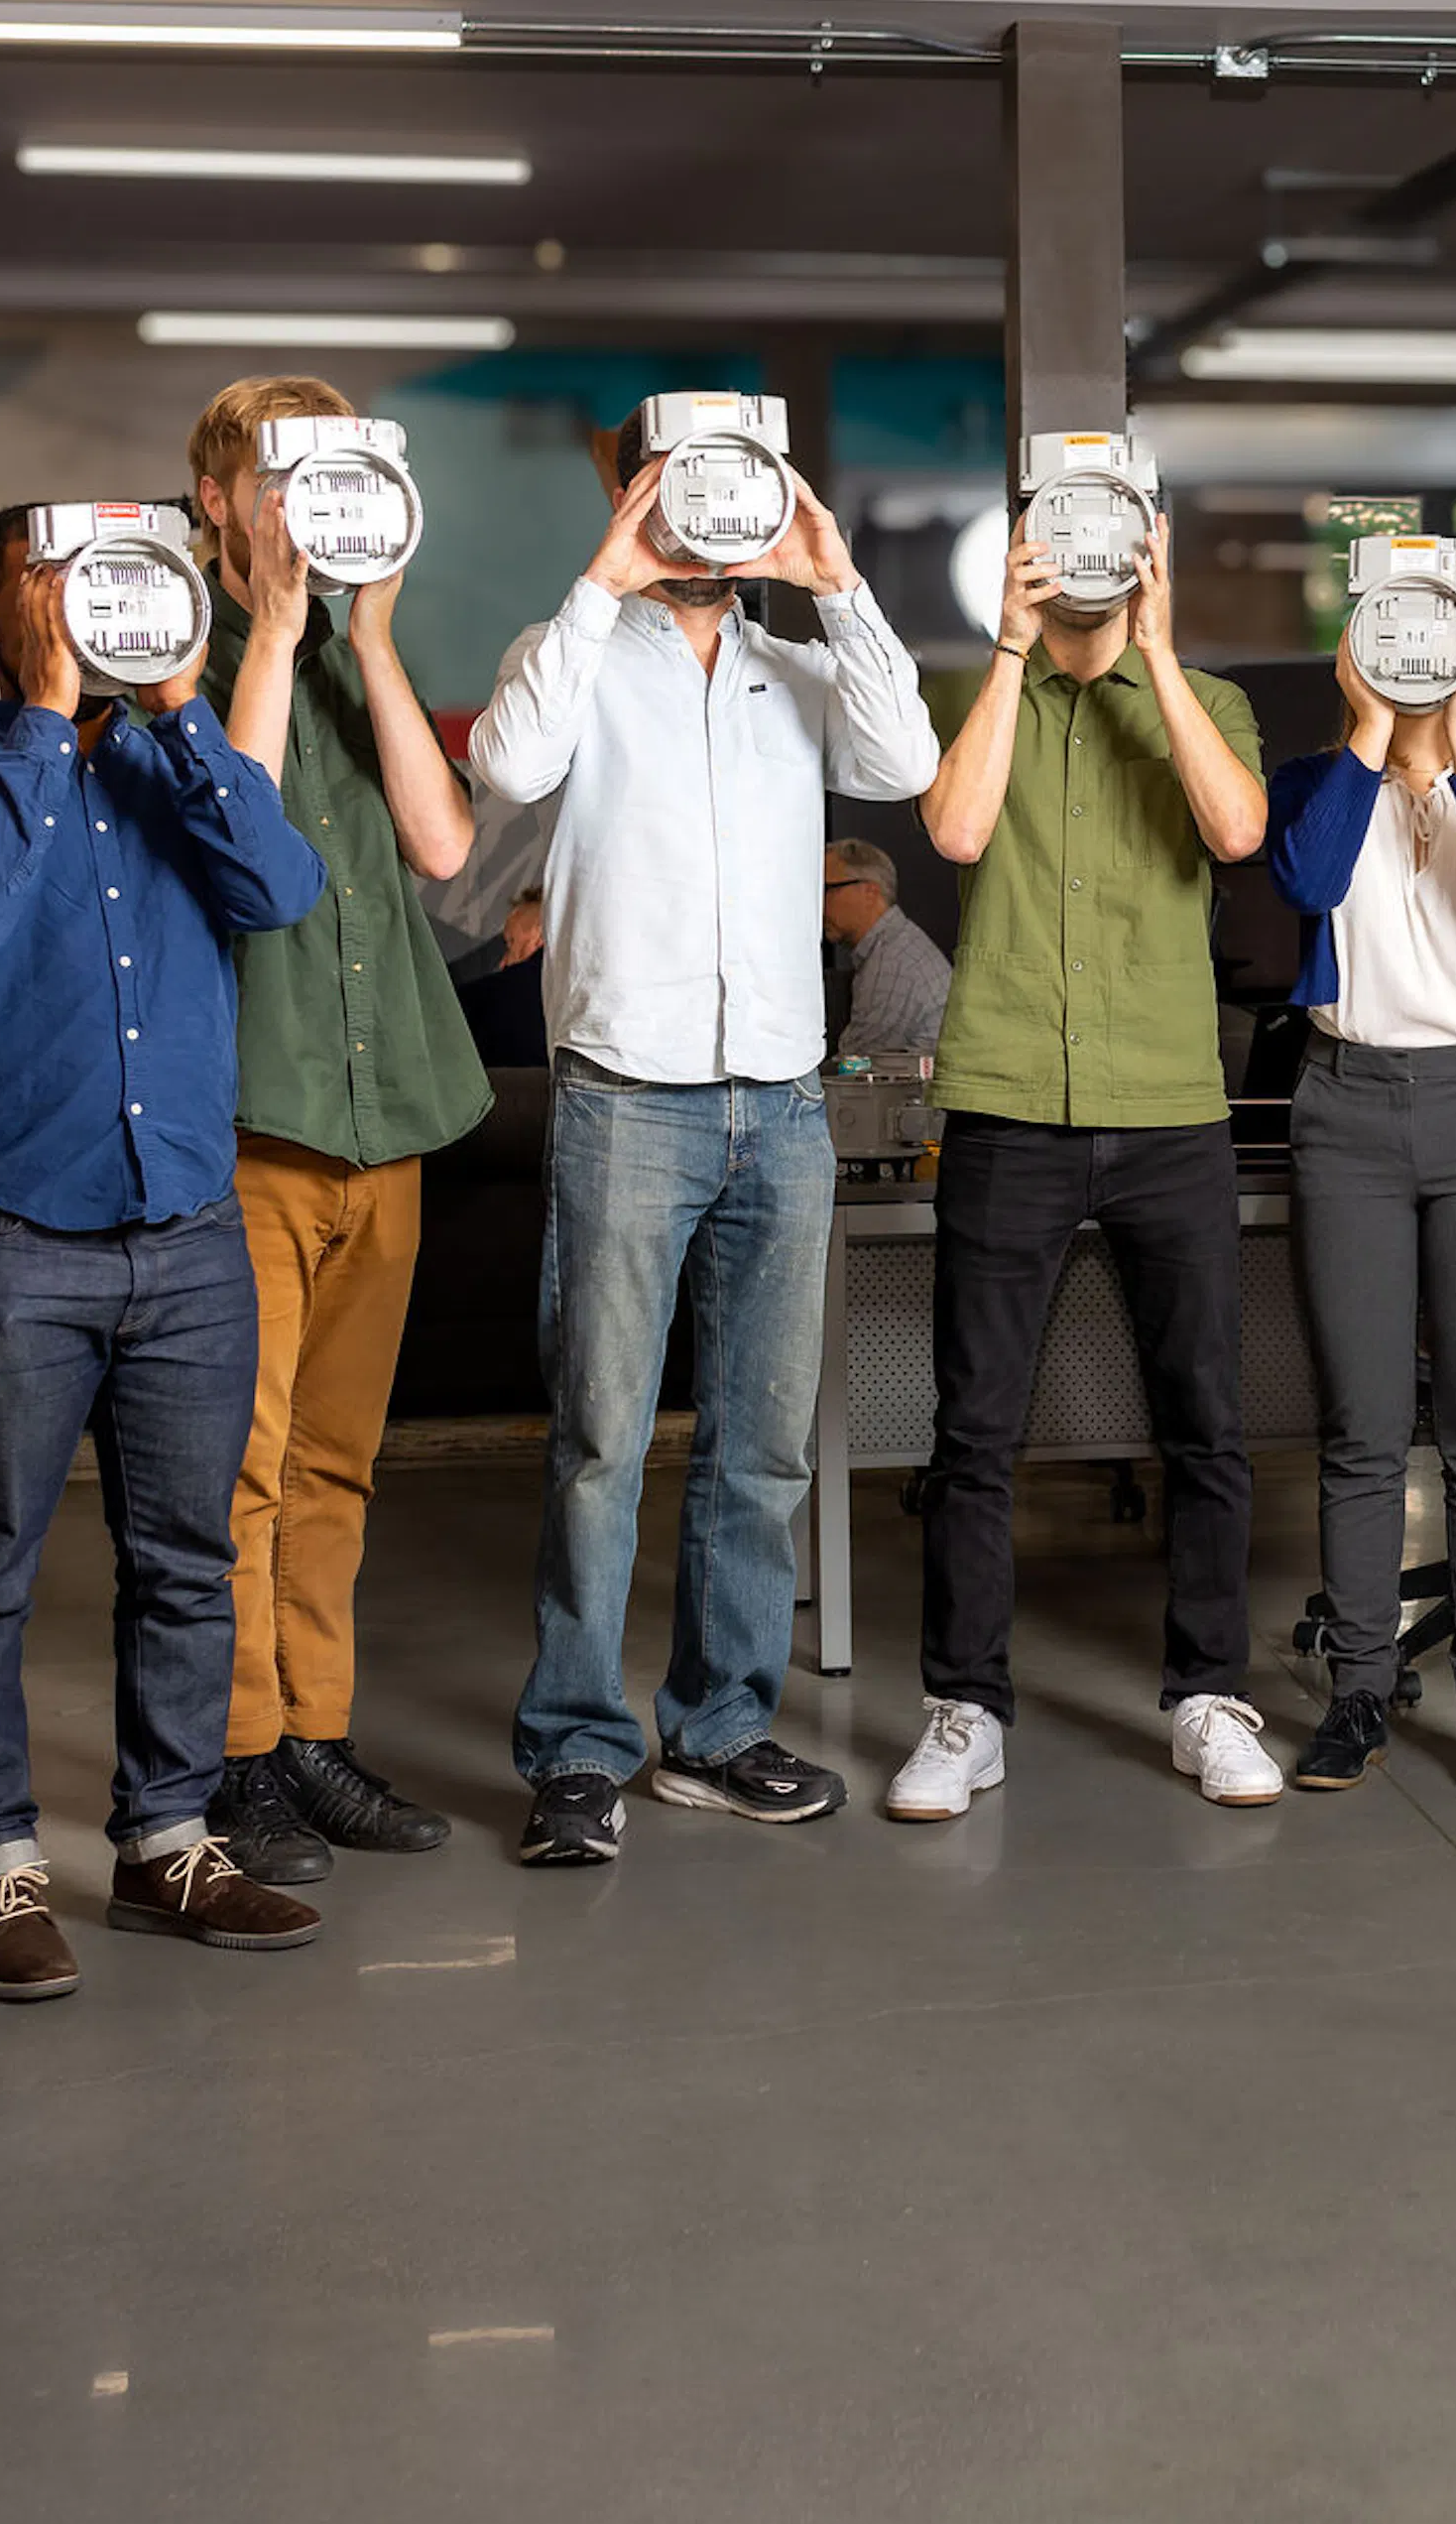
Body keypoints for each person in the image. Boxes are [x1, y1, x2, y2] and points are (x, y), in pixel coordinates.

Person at [470, 422, 940, 1864]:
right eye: (675, 490)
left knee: (764, 1450)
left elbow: (908, 754)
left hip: (783, 1108)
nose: (704, 518)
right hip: (627, 1101)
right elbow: (506, 766)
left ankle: (722, 1727)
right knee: (602, 1439)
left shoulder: (798, 673)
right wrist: (606, 574)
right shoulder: (572, 654)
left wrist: (833, 573)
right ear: (632, 491)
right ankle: (572, 1746)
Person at [0, 505, 332, 2000]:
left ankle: (168, 1840)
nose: (91, 607)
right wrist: (42, 710)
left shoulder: (182, 773)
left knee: (187, 1563)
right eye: (52, 586)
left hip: (192, 1238)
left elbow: (280, 891)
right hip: (15, 1245)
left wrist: (180, 704)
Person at [886, 518, 1277, 1820]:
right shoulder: (975, 688)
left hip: (1169, 1103)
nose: (1085, 562)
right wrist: (1007, 647)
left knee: (1206, 1421)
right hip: (1007, 1099)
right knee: (974, 1427)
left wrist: (1160, 655)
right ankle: (967, 1707)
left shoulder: (1206, 699)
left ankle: (1210, 1695)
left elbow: (1233, 833)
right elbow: (949, 830)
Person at [189, 377, 491, 1885]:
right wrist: (282, 622)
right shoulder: (175, 649)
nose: (310, 501)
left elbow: (445, 848)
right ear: (221, 504)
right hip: (261, 1115)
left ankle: (315, 1736)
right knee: (239, 1468)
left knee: (338, 1459)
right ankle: (237, 1756)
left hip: (391, 1118)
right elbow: (240, 815)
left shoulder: (363, 655)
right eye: (278, 475)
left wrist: (368, 636)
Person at [1267, 593, 1456, 1799]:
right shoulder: (1318, 776)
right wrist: (1374, 728)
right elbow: (1305, 874)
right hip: (1344, 1104)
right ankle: (1357, 1690)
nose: (1416, 653)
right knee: (1362, 1429)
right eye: (1391, 632)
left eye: (1444, 634)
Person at [824, 836, 952, 1056]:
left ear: (870, 893)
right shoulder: (893, 946)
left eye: (827, 889)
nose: (819, 903)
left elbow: (857, 1064)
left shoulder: (894, 962)